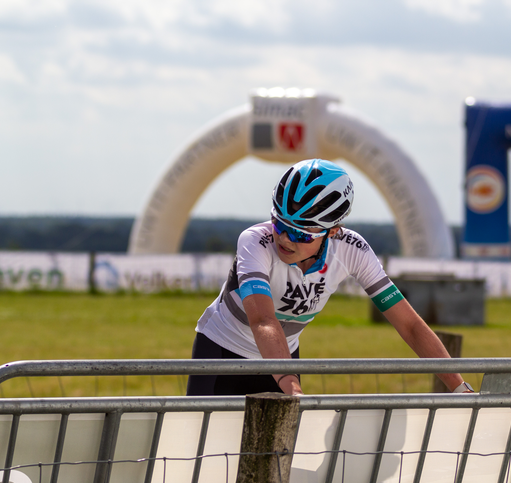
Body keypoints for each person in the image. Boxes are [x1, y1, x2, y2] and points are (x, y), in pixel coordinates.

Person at [186, 158, 472, 396]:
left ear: (332, 231)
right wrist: (292, 386)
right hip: (222, 349)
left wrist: (459, 387)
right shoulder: (254, 241)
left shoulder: (352, 249)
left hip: (281, 355)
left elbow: (409, 325)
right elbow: (263, 319)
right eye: (278, 223)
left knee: (275, 460)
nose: (284, 239)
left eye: (299, 233)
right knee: (202, 450)